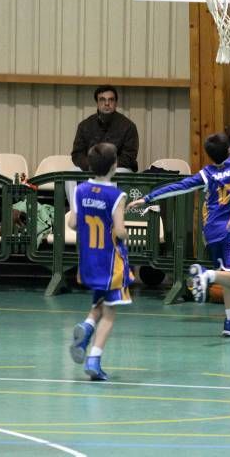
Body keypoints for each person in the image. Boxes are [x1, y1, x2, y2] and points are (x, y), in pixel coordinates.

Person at [127, 132, 230, 336]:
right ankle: (206, 275)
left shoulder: (208, 173)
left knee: (227, 274)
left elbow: (179, 187)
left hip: (211, 232)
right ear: (229, 150)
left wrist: (149, 197)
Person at [67, 143, 134, 381]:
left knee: (100, 302)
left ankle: (86, 328)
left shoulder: (80, 190)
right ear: (115, 166)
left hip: (88, 259)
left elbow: (73, 224)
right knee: (110, 312)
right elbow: (119, 230)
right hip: (110, 261)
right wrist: (127, 232)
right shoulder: (117, 196)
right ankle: (94, 358)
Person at [71, 85, 139, 173]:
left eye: (111, 99)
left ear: (116, 103)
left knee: (117, 172)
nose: (107, 103)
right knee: (72, 172)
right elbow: (77, 154)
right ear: (97, 103)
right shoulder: (84, 126)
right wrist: (91, 165)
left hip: (118, 168)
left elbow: (129, 157)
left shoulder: (128, 126)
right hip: (91, 167)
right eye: (102, 99)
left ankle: (109, 187)